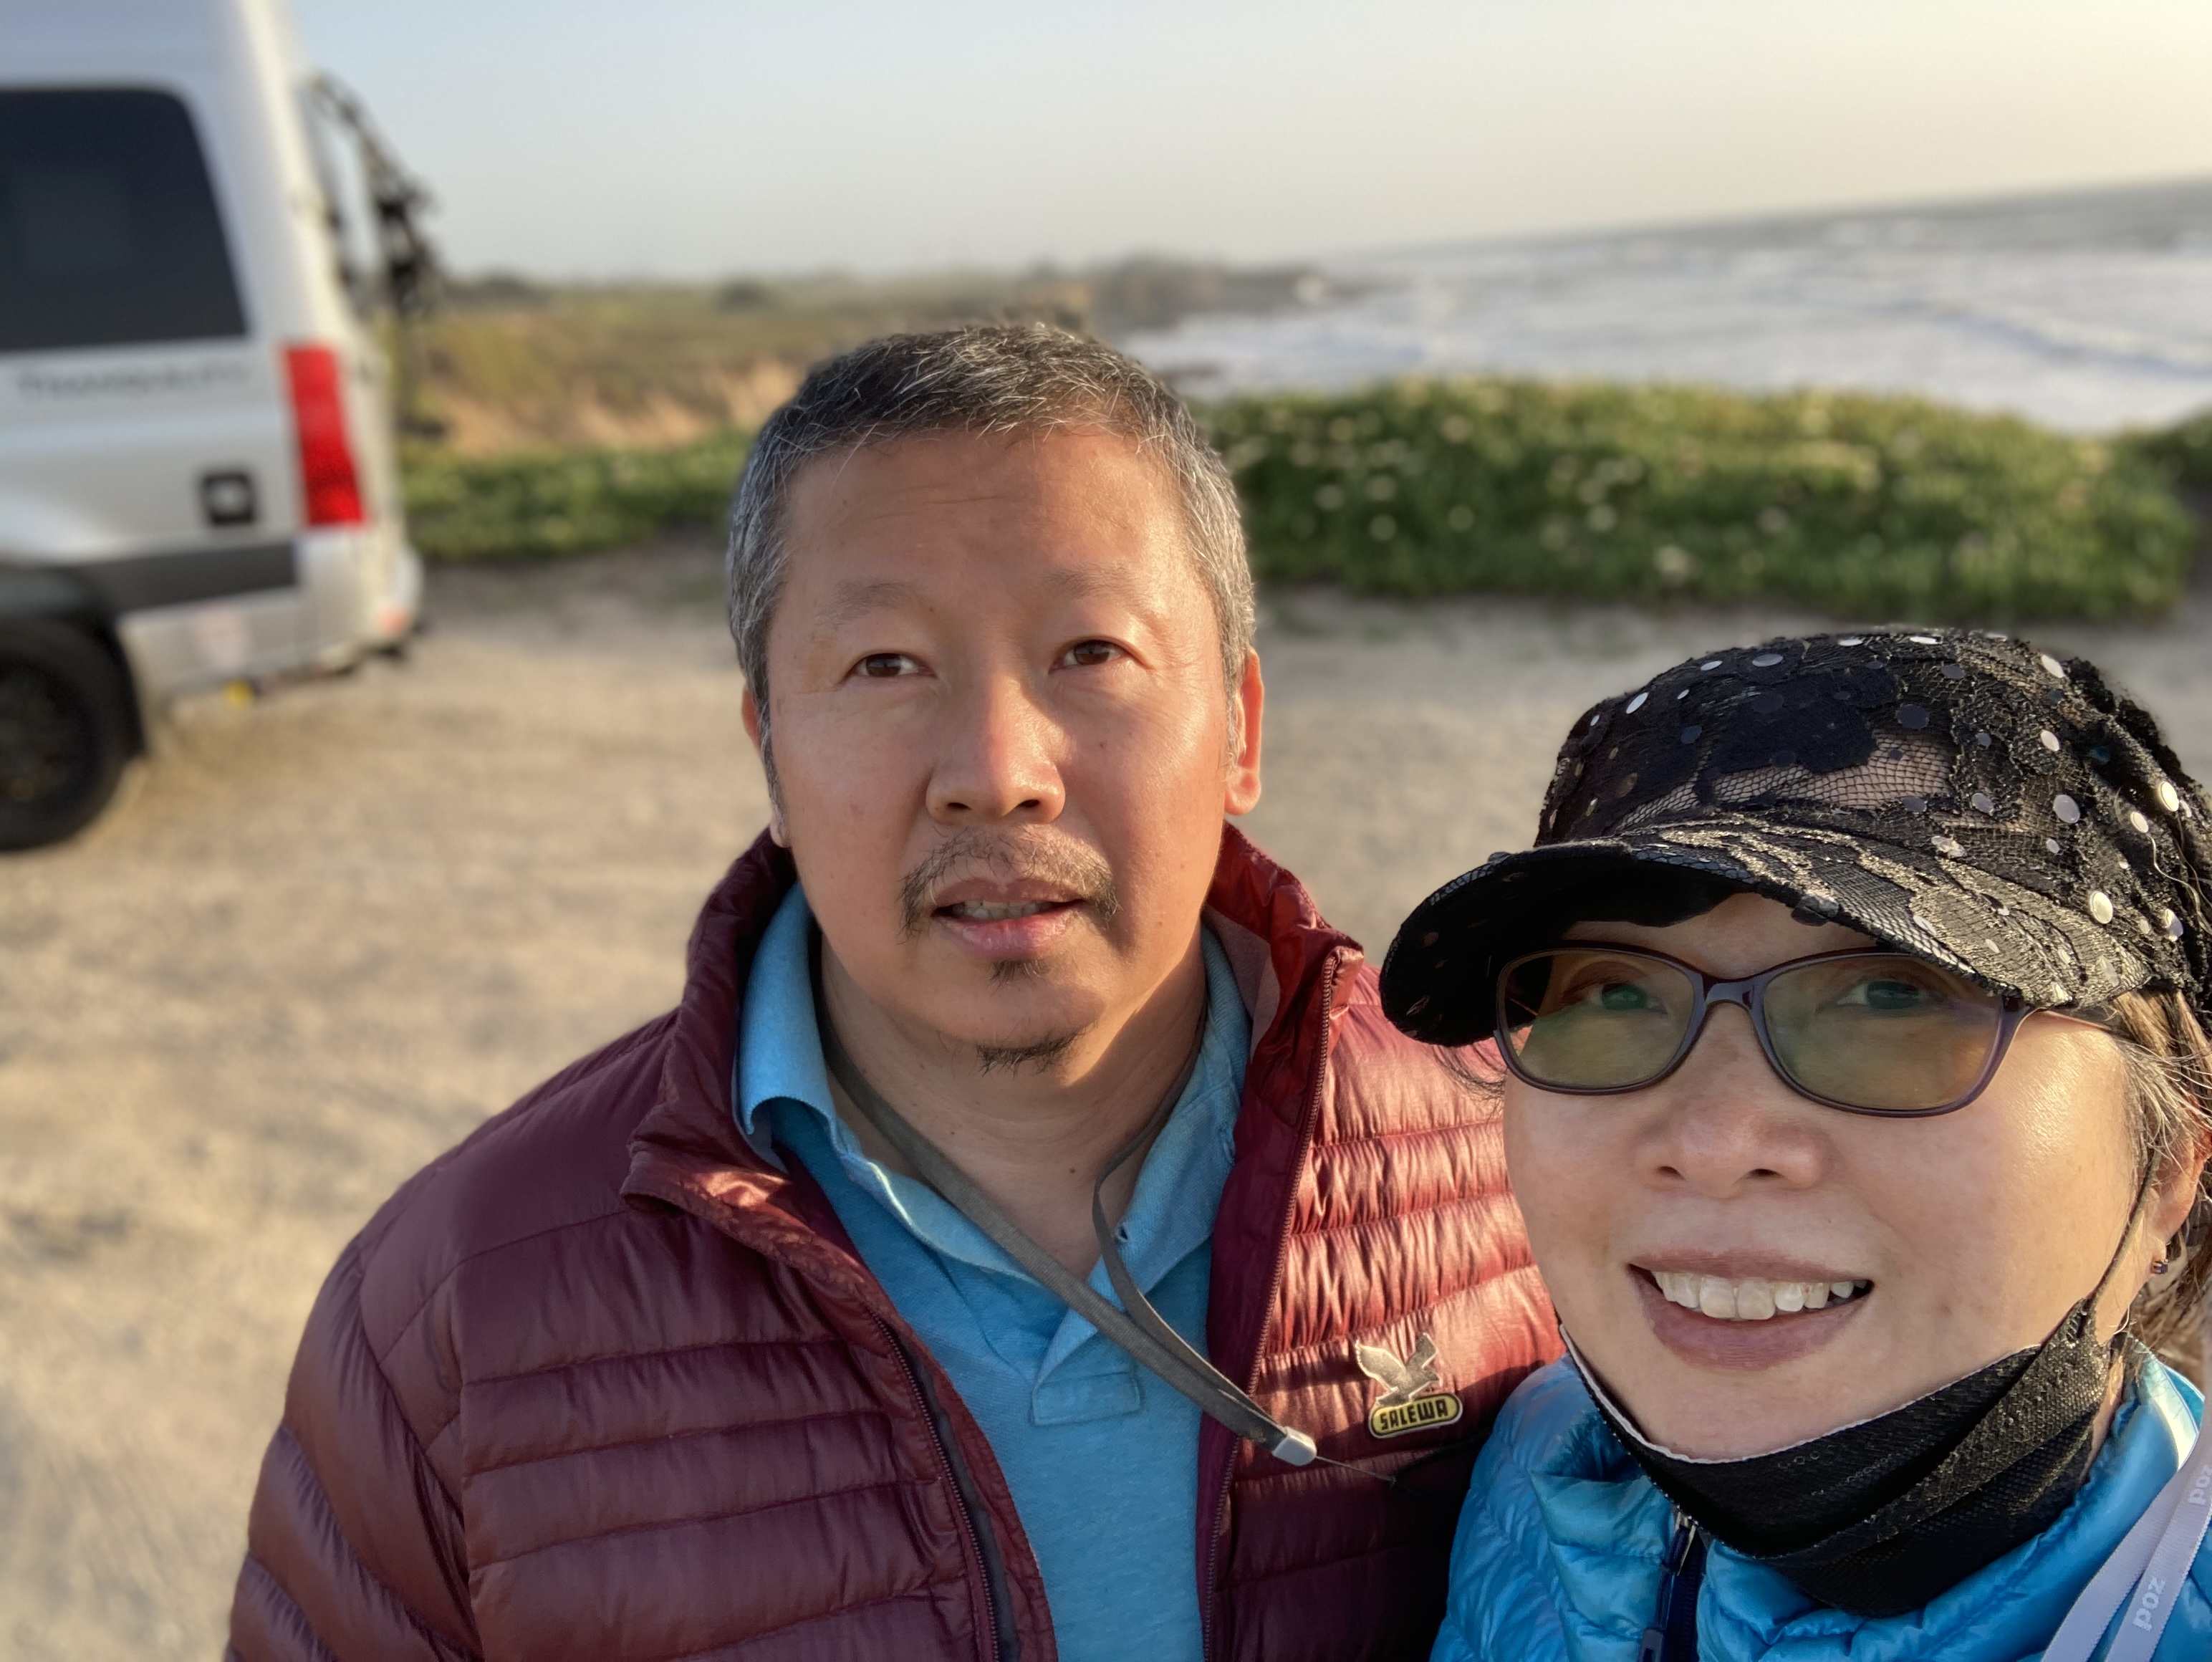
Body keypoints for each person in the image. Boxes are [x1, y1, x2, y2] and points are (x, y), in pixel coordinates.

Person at [226, 325, 1559, 1662]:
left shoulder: (1530, 1160)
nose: (996, 773)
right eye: (885, 665)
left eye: (1091, 651)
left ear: (1242, 728)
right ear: (770, 752)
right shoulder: (453, 1309)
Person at [1380, 627, 2212, 1661]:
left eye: (1892, 998)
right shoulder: (1536, 1454)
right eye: (1614, 993)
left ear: (2170, 1164)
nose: (1716, 1141)